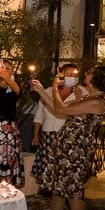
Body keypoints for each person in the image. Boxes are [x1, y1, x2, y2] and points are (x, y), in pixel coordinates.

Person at [30, 64, 105, 210]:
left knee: (74, 193)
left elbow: (61, 110)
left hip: (76, 152)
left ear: (97, 79)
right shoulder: (89, 97)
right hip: (68, 148)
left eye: (90, 71)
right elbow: (57, 107)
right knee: (59, 187)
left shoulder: (96, 101)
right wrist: (40, 90)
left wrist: (54, 87)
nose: (87, 72)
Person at [32, 63, 81, 198]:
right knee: (47, 167)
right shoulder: (49, 90)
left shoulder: (80, 92)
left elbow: (71, 112)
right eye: (68, 74)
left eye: (74, 74)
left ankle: (59, 198)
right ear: (62, 75)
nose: (71, 76)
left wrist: (79, 97)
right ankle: (50, 197)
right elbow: (39, 114)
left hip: (65, 136)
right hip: (47, 133)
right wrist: (35, 135)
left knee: (61, 170)